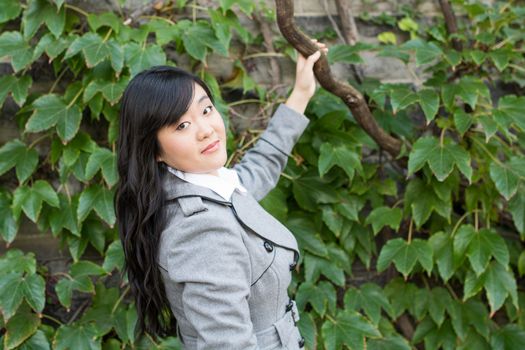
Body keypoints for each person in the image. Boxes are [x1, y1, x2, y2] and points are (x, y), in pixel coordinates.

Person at [115, 39, 328, 349]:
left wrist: (301, 93)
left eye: (206, 109)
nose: (206, 129)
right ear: (154, 149)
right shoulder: (200, 229)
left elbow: (259, 167)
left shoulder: (205, 185)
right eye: (182, 125)